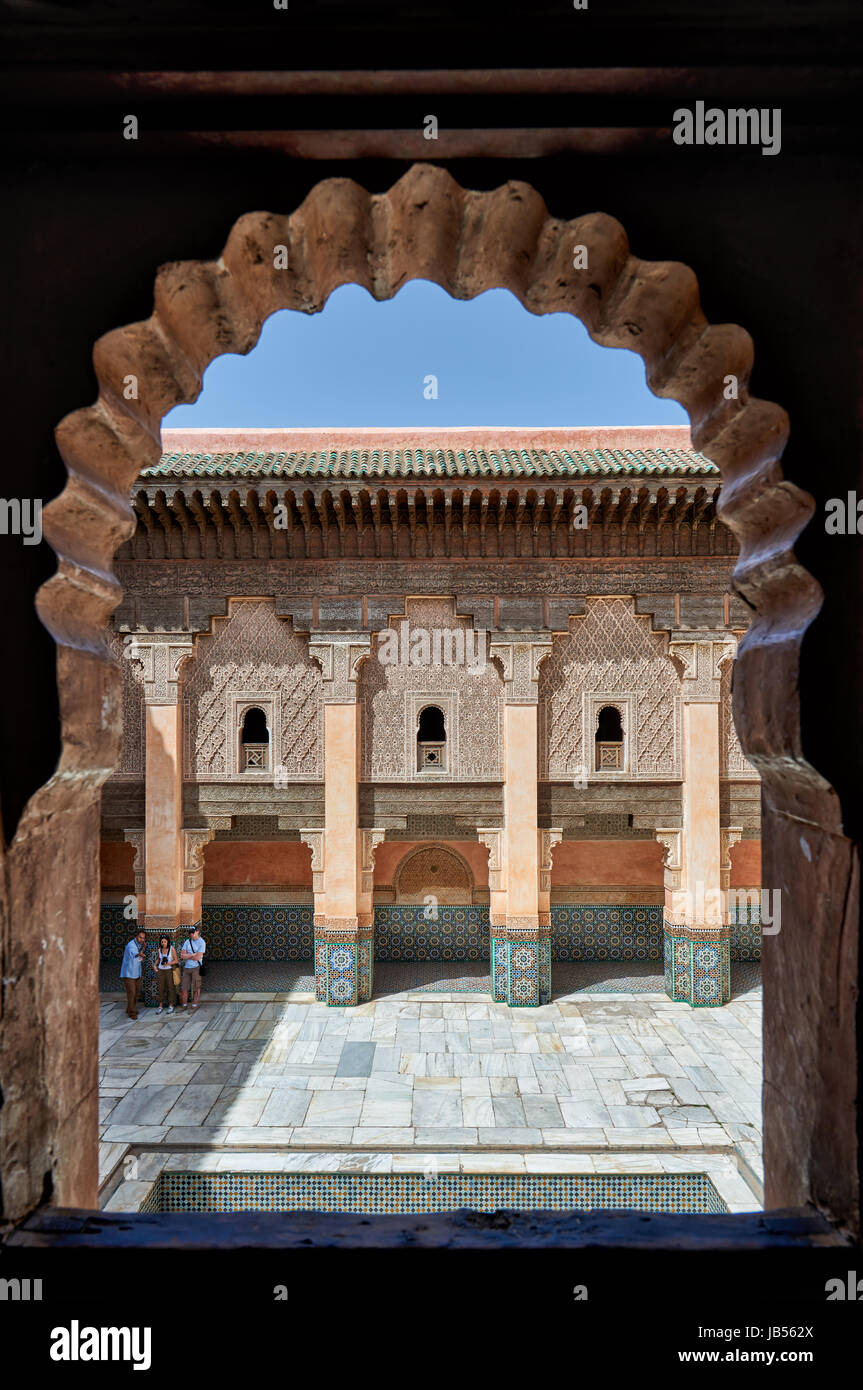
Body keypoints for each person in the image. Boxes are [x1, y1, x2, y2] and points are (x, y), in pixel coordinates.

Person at [120, 930, 146, 1020]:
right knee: (132, 992)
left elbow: (139, 955)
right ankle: (132, 1013)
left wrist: (143, 948)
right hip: (129, 973)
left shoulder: (139, 945)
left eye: (143, 938)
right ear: (136, 936)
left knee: (136, 992)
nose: (141, 939)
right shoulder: (131, 945)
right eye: (140, 937)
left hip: (137, 973)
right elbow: (136, 954)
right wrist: (142, 953)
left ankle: (130, 1008)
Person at [180, 925, 207, 1010]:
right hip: (187, 967)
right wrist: (192, 955)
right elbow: (182, 955)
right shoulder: (187, 942)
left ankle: (194, 1005)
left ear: (197, 931)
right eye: (190, 933)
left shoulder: (202, 942)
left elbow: (198, 958)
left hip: (196, 967)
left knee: (196, 987)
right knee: (184, 987)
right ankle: (184, 1005)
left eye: (192, 932)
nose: (191, 934)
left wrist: (188, 955)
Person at [153, 934, 179, 1015]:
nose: (163, 943)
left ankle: (171, 1005)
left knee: (170, 987)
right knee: (160, 987)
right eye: (162, 942)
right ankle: (160, 1006)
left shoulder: (172, 949)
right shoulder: (159, 949)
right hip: (161, 971)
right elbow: (158, 959)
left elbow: (176, 960)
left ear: (168, 941)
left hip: (169, 971)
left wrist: (168, 964)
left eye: (165, 941)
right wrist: (154, 965)